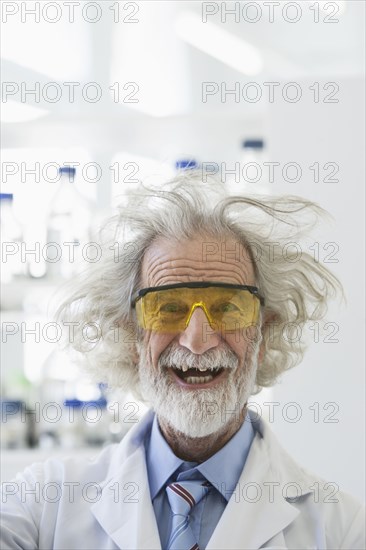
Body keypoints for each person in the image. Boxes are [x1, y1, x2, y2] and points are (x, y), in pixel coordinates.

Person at [1, 174, 365, 549]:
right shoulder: (43, 506)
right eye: (168, 308)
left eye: (227, 307)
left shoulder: (341, 530)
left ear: (263, 334)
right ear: (132, 336)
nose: (197, 342)